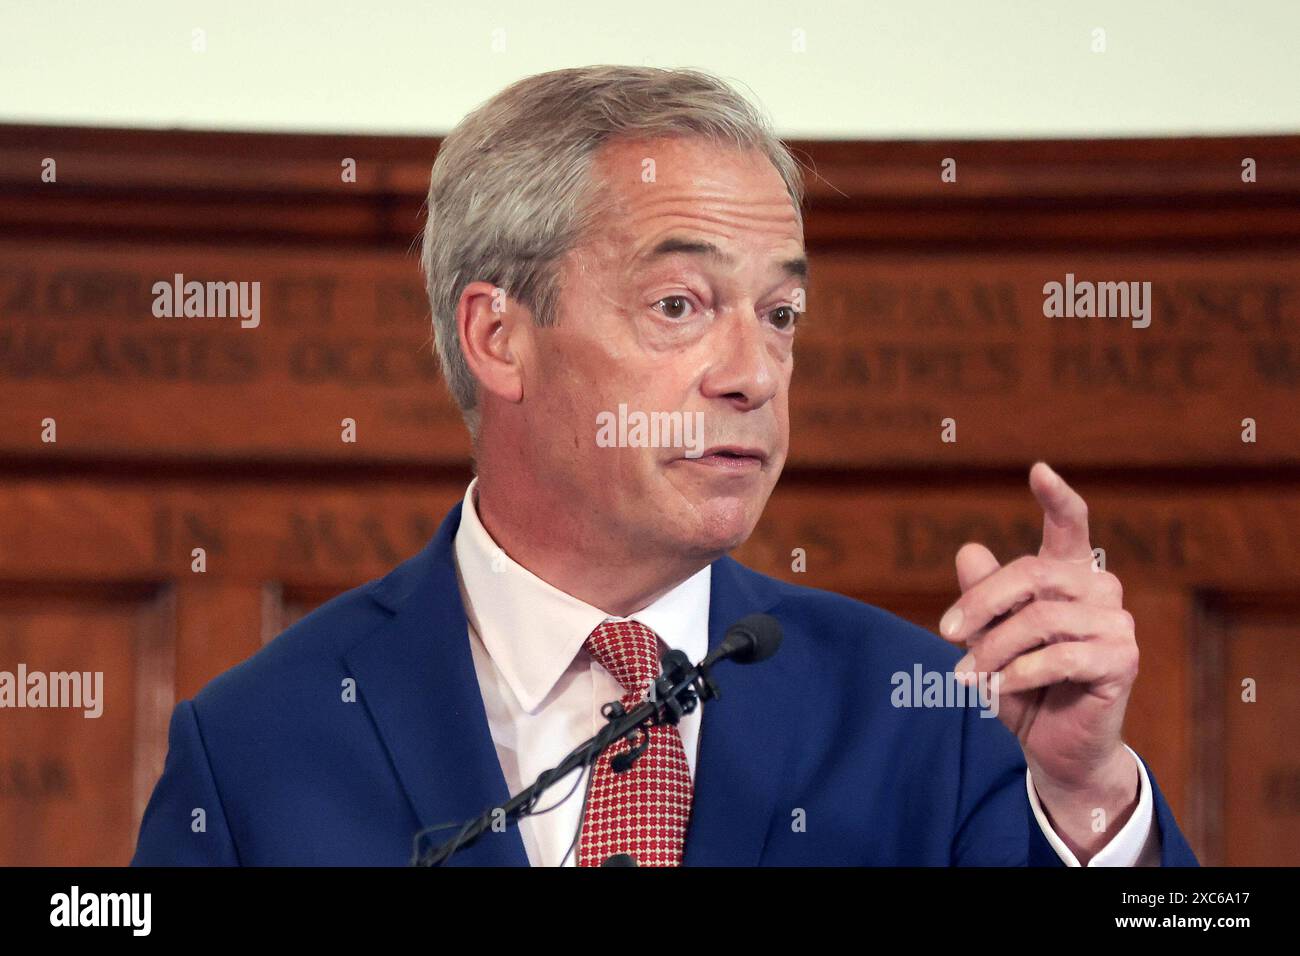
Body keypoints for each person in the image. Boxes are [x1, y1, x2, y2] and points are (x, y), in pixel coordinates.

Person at [132, 65, 1198, 867]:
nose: (752, 373)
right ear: (499, 337)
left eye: (780, 314)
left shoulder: (930, 715)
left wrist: (1089, 791)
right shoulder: (254, 744)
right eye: (679, 305)